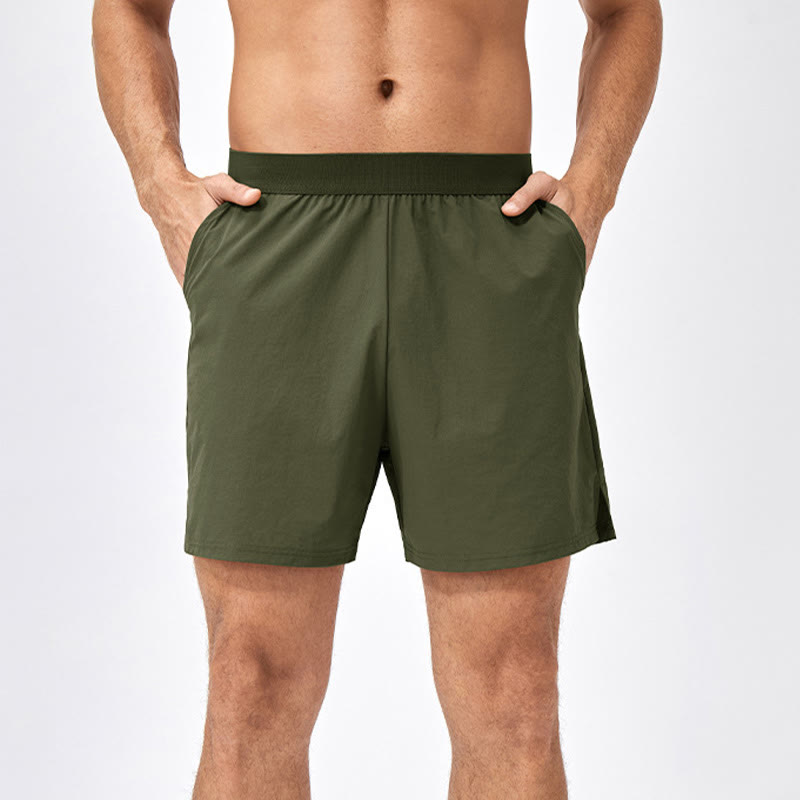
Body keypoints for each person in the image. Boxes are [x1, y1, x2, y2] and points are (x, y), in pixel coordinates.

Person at [92, 0, 661, 796]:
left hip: (488, 243)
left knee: (514, 690)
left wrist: (591, 194)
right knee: (252, 681)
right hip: (277, 238)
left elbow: (625, 11)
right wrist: (161, 187)